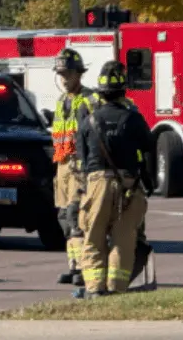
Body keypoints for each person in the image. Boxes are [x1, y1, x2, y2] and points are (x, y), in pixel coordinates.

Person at [75, 61, 154, 298]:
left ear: (101, 92)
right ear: (123, 91)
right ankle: (117, 289)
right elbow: (149, 151)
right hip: (128, 186)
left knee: (93, 237)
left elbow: (82, 159)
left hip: (97, 184)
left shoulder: (88, 122)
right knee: (123, 239)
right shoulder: (133, 119)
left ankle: (94, 289)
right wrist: (149, 183)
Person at [51, 48, 100, 287]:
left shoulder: (90, 100)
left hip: (79, 168)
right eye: (61, 74)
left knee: (76, 217)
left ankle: (83, 267)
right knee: (63, 218)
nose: (64, 78)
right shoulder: (61, 102)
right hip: (62, 167)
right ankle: (73, 266)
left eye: (68, 73)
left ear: (79, 74)